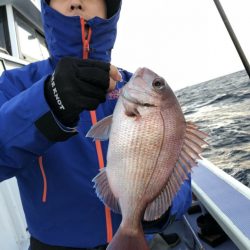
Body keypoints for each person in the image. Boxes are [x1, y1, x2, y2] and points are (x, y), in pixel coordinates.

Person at [0, 0, 192, 249]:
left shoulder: (130, 86)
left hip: (140, 238)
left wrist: (161, 209)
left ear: (109, 8)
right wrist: (49, 100)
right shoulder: (16, 85)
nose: (77, 1)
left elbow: (179, 166)